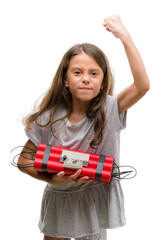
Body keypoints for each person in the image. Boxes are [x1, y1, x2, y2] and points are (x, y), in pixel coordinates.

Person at [18, 15, 150, 240]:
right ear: (66, 80)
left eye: (94, 73)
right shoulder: (49, 117)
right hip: (60, 199)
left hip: (93, 201)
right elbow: (23, 160)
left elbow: (142, 85)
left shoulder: (110, 109)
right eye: (77, 72)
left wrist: (124, 37)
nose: (86, 79)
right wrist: (52, 179)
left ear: (103, 82)